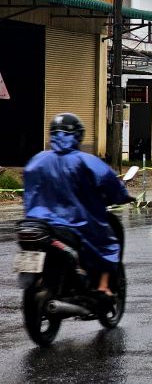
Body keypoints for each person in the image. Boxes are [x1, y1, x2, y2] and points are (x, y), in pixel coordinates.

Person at [22, 113, 134, 298]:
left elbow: (29, 189)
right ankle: (103, 287)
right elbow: (111, 184)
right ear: (79, 136)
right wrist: (123, 196)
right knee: (108, 244)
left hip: (37, 223)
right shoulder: (86, 161)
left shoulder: (37, 161)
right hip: (75, 222)